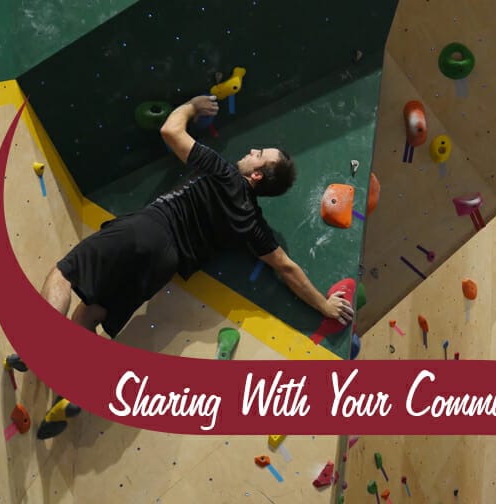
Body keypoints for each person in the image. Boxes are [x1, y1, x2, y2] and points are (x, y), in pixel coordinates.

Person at [31, 94, 355, 439]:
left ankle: (41, 344)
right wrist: (324, 305)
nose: (251, 151)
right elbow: (287, 268)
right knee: (93, 311)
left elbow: (171, 131)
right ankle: (70, 388)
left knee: (65, 273)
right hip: (163, 267)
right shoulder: (252, 223)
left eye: (258, 155)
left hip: (149, 228)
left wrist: (192, 106)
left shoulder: (225, 173)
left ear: (257, 176)